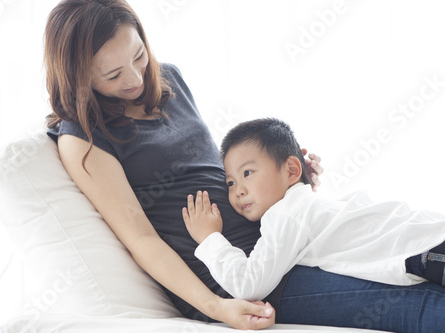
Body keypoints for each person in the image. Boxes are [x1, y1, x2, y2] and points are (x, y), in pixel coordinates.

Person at [44, 1, 445, 332]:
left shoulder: (169, 80)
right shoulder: (83, 136)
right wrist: (217, 307)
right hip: (232, 276)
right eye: (113, 75)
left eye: (138, 56)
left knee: (415, 253)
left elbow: (210, 169)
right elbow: (141, 238)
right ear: (78, 75)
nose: (134, 77)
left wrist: (284, 181)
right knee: (422, 303)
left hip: (280, 241)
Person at [182, 117, 445, 303]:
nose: (237, 190)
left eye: (247, 173)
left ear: (292, 170)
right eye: (230, 182)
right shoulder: (305, 205)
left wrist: (209, 238)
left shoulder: (285, 215)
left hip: (426, 251)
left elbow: (248, 284)